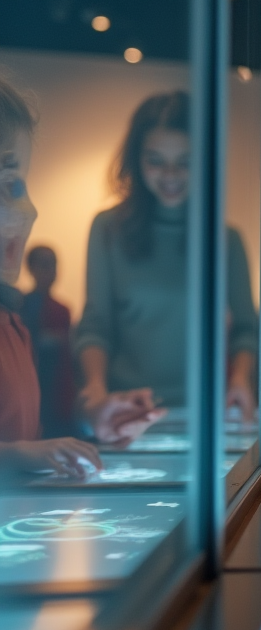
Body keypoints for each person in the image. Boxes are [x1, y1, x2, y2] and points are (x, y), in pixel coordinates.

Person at [0, 77, 157, 477]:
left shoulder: (11, 324)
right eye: (6, 185)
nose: (28, 209)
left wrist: (91, 421)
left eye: (20, 185)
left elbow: (32, 438)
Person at [75, 91, 258, 417]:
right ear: (136, 160)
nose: (170, 175)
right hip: (128, 411)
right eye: (156, 161)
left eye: (184, 163)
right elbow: (95, 325)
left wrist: (241, 379)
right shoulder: (106, 229)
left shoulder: (225, 239)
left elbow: (247, 329)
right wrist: (95, 385)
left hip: (204, 415)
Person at [19, 245, 74, 437]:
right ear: (31, 268)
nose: (50, 271)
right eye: (44, 265)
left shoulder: (62, 310)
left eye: (53, 265)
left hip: (59, 394)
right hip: (32, 389)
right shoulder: (20, 307)